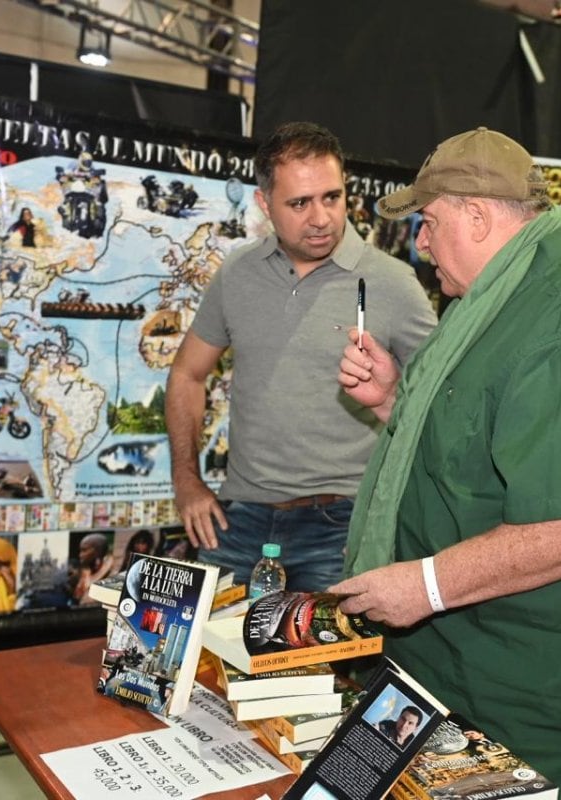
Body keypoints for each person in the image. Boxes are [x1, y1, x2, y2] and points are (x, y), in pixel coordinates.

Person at [330, 128, 561, 799]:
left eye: (428, 223)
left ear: (475, 215)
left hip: (548, 702)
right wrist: (392, 403)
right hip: (461, 672)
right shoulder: (497, 303)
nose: (420, 244)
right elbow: (485, 455)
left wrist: (426, 586)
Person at [164, 121, 436, 591]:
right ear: (264, 204)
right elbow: (187, 374)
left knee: (322, 665)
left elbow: (442, 393)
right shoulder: (238, 273)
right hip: (238, 521)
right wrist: (187, 482)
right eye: (299, 203)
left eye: (332, 197)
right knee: (213, 663)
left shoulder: (392, 282)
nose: (321, 217)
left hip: (340, 526)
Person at [72, 531, 117, 605]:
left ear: (98, 551)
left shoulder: (113, 577)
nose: (80, 555)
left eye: (84, 550)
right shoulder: (84, 574)